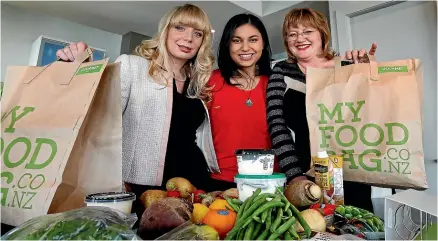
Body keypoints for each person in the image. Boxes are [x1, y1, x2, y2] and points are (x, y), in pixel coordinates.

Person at [57, 4, 220, 219]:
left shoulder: (197, 83)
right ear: (166, 31)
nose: (188, 38)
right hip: (142, 187)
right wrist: (78, 67)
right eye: (180, 28)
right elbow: (101, 113)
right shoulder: (133, 66)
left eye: (197, 33)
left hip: (193, 184)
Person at [266, 8, 377, 211]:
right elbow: (277, 125)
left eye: (307, 31)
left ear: (322, 33)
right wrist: (295, 174)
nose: (300, 38)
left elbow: (372, 112)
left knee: (356, 228)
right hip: (305, 175)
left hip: (351, 172)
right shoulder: (281, 71)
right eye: (292, 34)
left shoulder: (345, 65)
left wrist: (366, 70)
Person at [206, 13, 276, 189]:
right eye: (237, 40)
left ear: (263, 43)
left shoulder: (276, 82)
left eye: (253, 40)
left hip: (271, 179)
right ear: (227, 44)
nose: (245, 47)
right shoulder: (210, 81)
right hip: (220, 181)